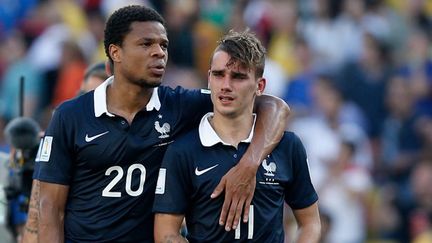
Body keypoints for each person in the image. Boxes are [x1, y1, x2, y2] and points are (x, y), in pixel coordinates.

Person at [35, 5, 289, 242]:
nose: (159, 52)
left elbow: (275, 107)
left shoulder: (179, 105)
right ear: (115, 52)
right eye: (146, 44)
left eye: (164, 45)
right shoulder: (70, 116)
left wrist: (249, 164)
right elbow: (49, 209)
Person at [153, 30, 321, 243]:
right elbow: (166, 233)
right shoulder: (182, 150)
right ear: (208, 79)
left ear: (259, 86)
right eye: (219, 74)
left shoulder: (288, 145)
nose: (226, 85)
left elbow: (310, 223)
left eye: (238, 77)